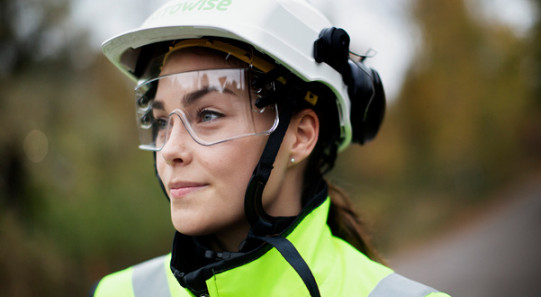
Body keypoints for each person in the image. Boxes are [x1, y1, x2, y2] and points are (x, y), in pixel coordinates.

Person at [91, 0, 450, 296]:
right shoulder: (120, 292)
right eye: (161, 122)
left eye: (209, 114)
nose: (170, 150)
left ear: (301, 135)